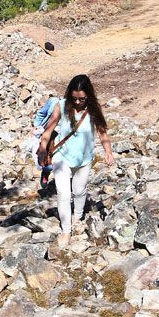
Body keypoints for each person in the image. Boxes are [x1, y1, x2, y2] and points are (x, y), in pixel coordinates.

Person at [36, 74, 115, 246]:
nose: (78, 102)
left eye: (82, 99)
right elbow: (48, 131)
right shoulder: (62, 106)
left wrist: (108, 152)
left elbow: (103, 133)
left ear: (89, 96)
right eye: (75, 99)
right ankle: (66, 230)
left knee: (79, 191)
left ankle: (77, 217)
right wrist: (42, 149)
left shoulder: (94, 110)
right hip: (62, 158)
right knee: (64, 194)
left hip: (84, 159)